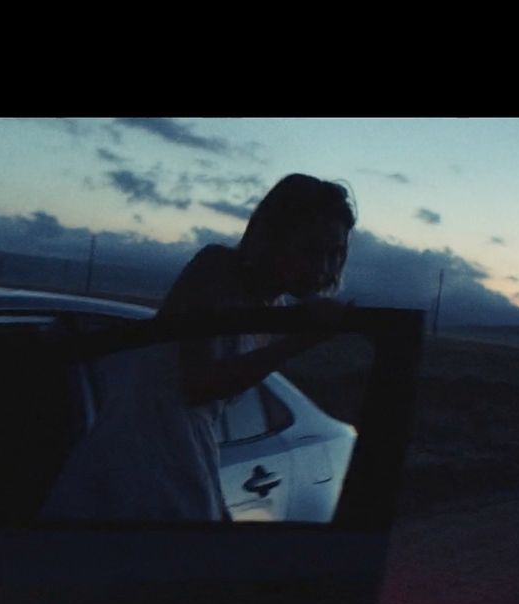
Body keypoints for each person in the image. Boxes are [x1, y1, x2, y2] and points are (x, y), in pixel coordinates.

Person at [39, 173, 356, 522]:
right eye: (311, 250)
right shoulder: (216, 267)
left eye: (335, 254)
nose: (324, 267)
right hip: (140, 450)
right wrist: (301, 341)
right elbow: (198, 384)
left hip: (189, 450)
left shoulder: (275, 310)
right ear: (275, 237)